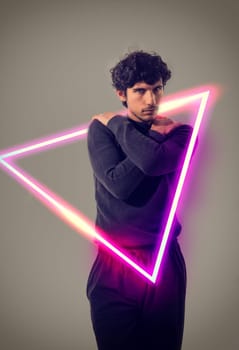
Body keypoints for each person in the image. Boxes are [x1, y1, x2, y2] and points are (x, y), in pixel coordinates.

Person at [86, 50, 193, 350]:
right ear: (122, 94)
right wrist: (151, 140)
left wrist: (118, 124)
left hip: (163, 264)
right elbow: (120, 185)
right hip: (114, 265)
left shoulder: (181, 133)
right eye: (140, 91)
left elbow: (151, 163)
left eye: (157, 88)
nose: (151, 100)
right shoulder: (99, 132)